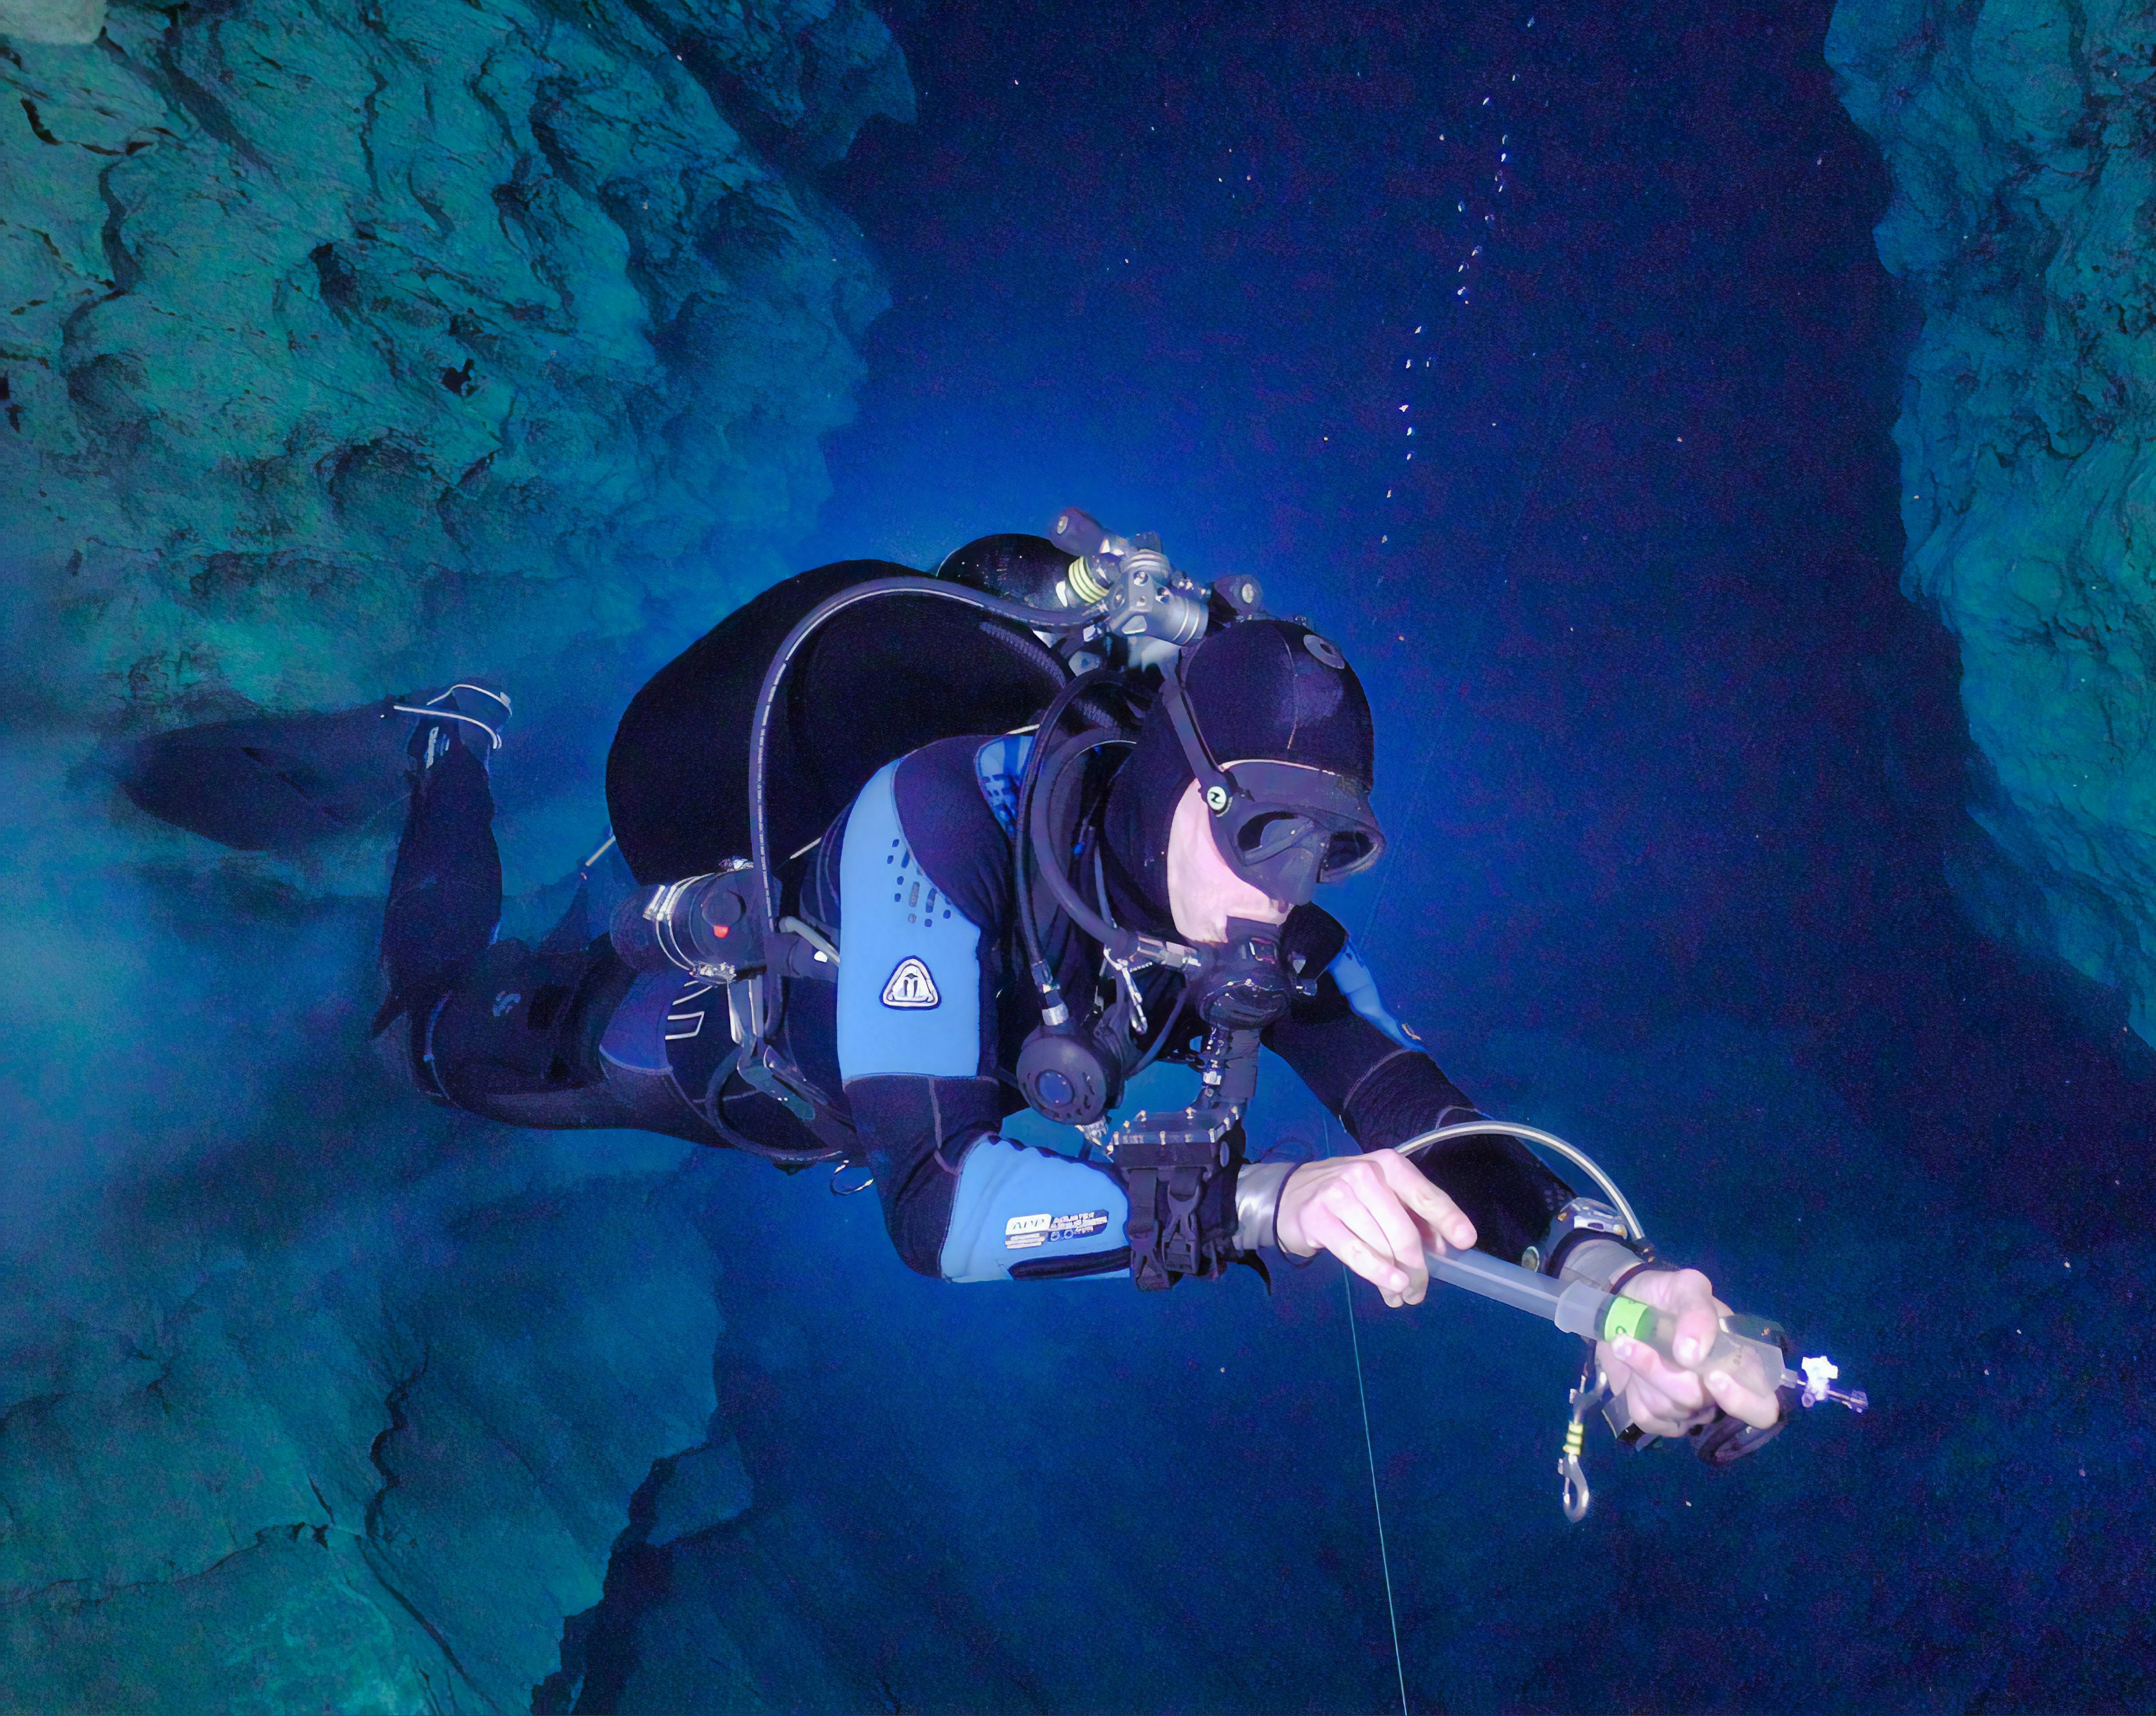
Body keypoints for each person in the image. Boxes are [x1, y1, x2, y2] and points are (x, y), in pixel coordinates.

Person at [121, 515, 1781, 1457]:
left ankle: (582, 868)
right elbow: (934, 1202)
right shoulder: (943, 812)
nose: (1285, 892)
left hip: (836, 1073)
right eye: (1262, 826)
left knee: (575, 942)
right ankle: (449, 745)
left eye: (1332, 850)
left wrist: (1612, 1279)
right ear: (1164, 779)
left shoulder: (1255, 938)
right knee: (427, 1045)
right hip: (731, 1047)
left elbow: (1420, 1114)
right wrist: (1278, 1204)